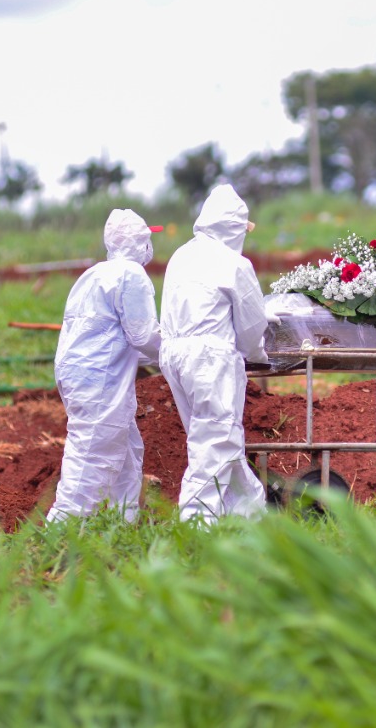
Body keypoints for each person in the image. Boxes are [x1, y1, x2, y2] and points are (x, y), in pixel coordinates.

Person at [159, 183, 269, 525]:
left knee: (217, 439)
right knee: (215, 441)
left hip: (174, 354)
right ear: (237, 227)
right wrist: (258, 355)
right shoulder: (234, 263)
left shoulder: (182, 254)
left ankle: (252, 515)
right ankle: (195, 524)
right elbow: (252, 325)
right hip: (209, 359)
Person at [48, 208, 164, 523]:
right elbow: (143, 336)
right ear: (141, 242)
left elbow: (113, 337)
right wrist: (175, 352)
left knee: (127, 454)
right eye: (147, 239)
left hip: (80, 376)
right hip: (101, 382)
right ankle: (57, 534)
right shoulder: (132, 275)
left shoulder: (95, 274)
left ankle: (124, 526)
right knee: (89, 462)